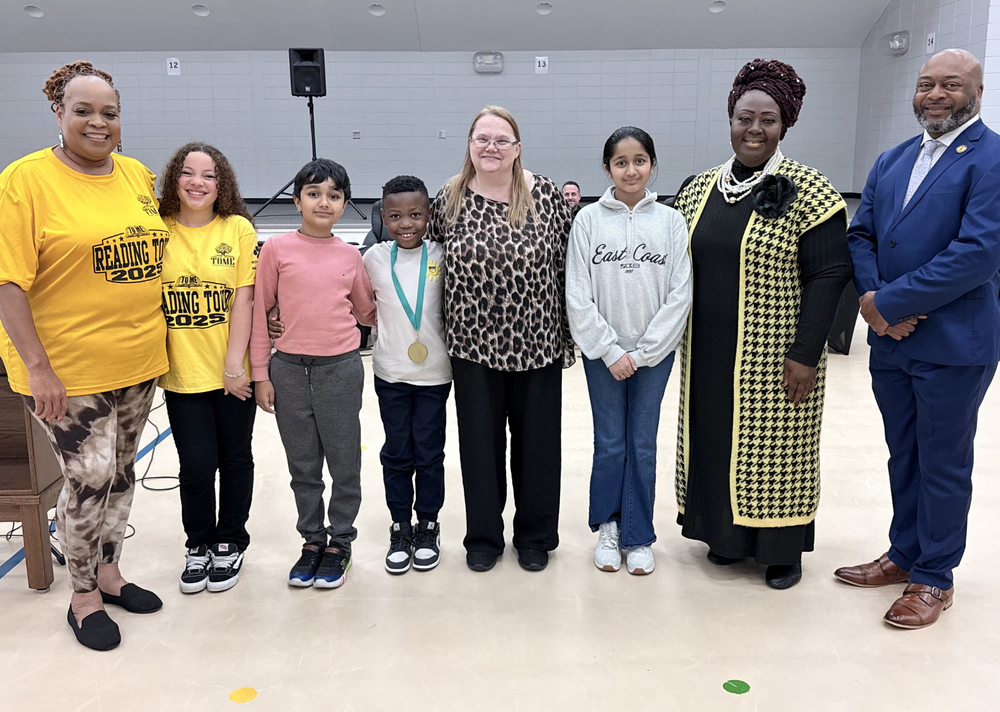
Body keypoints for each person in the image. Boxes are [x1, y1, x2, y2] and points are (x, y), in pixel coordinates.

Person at [0, 62, 168, 650]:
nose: (99, 123)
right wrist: (38, 368)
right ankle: (82, 596)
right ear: (59, 113)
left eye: (110, 113)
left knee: (122, 474)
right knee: (89, 478)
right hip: (66, 369)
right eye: (84, 111)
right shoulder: (25, 181)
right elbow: (8, 282)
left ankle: (110, 571)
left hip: (137, 358)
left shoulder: (137, 176)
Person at [672, 59, 852, 590]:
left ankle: (781, 551)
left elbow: (829, 273)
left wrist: (806, 352)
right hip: (706, 349)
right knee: (715, 439)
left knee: (777, 449)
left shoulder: (809, 189)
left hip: (777, 352)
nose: (754, 129)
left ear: (785, 125)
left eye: (768, 120)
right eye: (744, 117)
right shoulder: (699, 188)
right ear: (729, 119)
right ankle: (725, 540)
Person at [837, 49, 1000, 629]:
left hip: (955, 342)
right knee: (904, 453)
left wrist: (891, 303)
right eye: (926, 84)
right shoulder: (892, 160)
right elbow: (863, 234)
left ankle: (934, 576)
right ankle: (904, 553)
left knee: (944, 462)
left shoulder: (992, 158)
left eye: (950, 85)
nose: (934, 94)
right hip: (893, 342)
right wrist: (876, 307)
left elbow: (977, 254)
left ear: (977, 91)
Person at [427, 106, 575, 573]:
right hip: (473, 346)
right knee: (479, 446)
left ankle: (535, 536)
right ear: (470, 144)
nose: (490, 147)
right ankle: (484, 537)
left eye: (500, 139)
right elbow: (423, 262)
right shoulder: (449, 197)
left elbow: (570, 263)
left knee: (537, 447)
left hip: (538, 344)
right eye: (481, 138)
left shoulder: (545, 193)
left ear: (517, 147)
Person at [566, 127, 692, 575]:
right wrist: (608, 348)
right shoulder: (588, 221)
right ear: (607, 169)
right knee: (610, 442)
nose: (631, 169)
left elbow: (681, 293)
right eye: (621, 162)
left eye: (640, 160)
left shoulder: (671, 222)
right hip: (603, 355)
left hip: (652, 357)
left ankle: (639, 535)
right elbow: (577, 294)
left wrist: (645, 352)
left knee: (641, 442)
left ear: (652, 164)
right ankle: (609, 526)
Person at [249, 158, 376, 589]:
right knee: (303, 464)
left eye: (334, 196)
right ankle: (312, 539)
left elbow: (367, 311)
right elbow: (261, 312)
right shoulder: (276, 250)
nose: (324, 202)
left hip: (339, 369)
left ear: (345, 205)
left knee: (344, 461)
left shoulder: (350, 255)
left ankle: (340, 541)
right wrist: (260, 373)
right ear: (297, 199)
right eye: (314, 193)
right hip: (287, 371)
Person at [158, 142, 258, 594]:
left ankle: (231, 542)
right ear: (174, 177)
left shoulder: (237, 228)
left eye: (210, 175)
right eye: (189, 172)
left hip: (233, 373)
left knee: (235, 460)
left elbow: (244, 301)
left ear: (223, 185)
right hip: (182, 374)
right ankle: (198, 543)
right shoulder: (157, 229)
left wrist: (235, 366)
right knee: (196, 466)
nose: (198, 182)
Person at [362, 175, 451, 575]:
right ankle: (400, 525)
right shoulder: (373, 259)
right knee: (397, 453)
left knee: (429, 453)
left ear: (429, 215)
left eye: (416, 214)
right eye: (395, 216)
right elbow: (358, 308)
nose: (406, 224)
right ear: (383, 217)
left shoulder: (444, 254)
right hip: (391, 373)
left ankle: (428, 525)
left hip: (435, 375)